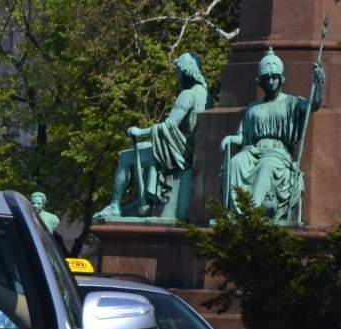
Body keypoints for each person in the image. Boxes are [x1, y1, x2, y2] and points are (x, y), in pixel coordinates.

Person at [95, 52, 209, 221]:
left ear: (186, 72)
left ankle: (115, 206)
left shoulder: (188, 94)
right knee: (142, 148)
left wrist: (140, 132)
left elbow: (169, 125)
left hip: (180, 152)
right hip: (191, 149)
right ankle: (142, 200)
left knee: (125, 158)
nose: (177, 76)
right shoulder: (205, 94)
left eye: (178, 72)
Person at [220, 47, 324, 223]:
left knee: (266, 166)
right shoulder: (253, 107)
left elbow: (312, 105)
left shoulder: (291, 102)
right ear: (260, 81)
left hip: (277, 153)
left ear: (281, 78)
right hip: (253, 150)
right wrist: (230, 138)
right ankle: (236, 213)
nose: (270, 81)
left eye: (274, 76)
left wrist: (319, 81)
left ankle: (252, 213)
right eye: (266, 77)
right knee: (235, 162)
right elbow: (243, 137)